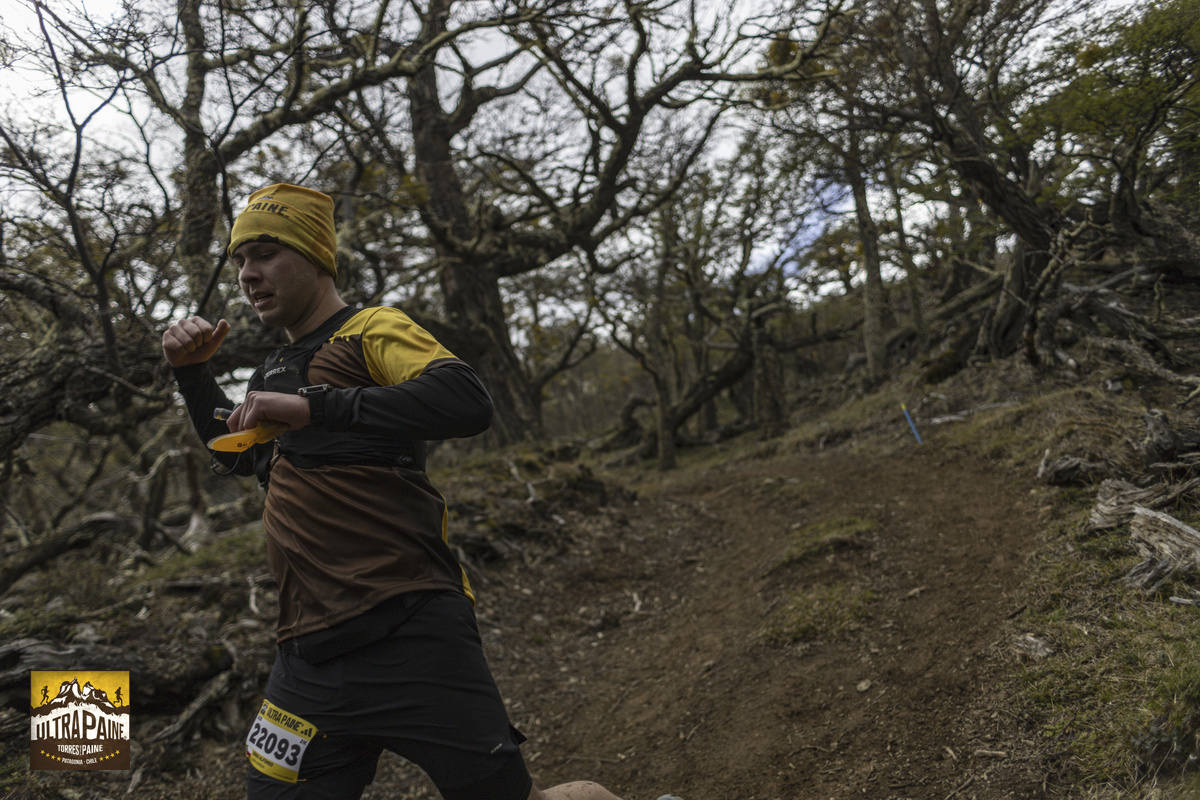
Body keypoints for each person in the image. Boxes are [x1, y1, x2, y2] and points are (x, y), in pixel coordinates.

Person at [162, 184, 647, 800]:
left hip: (411, 631)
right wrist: (192, 375)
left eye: (265, 254)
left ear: (316, 258)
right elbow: (235, 454)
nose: (248, 274)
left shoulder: (371, 329)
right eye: (239, 260)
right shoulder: (271, 372)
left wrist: (318, 408)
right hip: (307, 660)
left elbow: (466, 399)